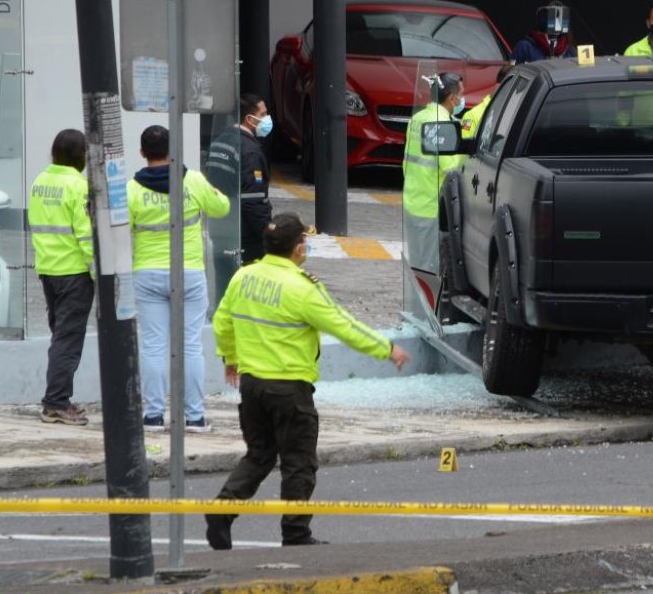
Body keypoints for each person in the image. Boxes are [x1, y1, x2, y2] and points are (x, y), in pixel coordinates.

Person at [205, 213, 410, 549]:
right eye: (306, 240)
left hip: (252, 385)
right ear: (298, 248)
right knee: (299, 463)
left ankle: (222, 512)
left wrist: (230, 359)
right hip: (289, 389)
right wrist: (386, 348)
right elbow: (343, 325)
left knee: (259, 455)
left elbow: (223, 321)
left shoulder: (244, 276)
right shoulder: (302, 288)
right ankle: (296, 534)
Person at [128, 125, 230, 433]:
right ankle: (194, 417)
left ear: (143, 152)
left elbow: (124, 226)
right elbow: (222, 207)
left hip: (147, 272)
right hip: (189, 274)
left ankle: (154, 416)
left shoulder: (132, 188)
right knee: (189, 345)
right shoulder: (194, 180)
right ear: (173, 150)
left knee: (153, 346)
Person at [29, 129, 94, 426]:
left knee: (60, 336)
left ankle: (57, 398)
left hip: (48, 270)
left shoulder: (40, 182)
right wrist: (100, 274)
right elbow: (85, 234)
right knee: (68, 339)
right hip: (73, 272)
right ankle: (55, 402)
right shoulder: (78, 186)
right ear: (80, 155)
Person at [402, 72, 465, 275]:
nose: (462, 99)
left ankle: (415, 304)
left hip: (412, 201)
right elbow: (451, 168)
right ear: (452, 98)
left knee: (415, 263)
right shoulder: (443, 124)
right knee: (427, 269)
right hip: (430, 206)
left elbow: (407, 161)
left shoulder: (417, 118)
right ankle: (424, 306)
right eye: (461, 94)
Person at [206, 93, 274, 274]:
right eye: (263, 114)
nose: (267, 119)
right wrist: (267, 233)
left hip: (219, 229)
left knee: (224, 285)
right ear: (249, 119)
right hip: (245, 235)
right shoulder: (249, 152)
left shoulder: (219, 143)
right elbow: (253, 200)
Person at [460, 63, 515, 140]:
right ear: (499, 86)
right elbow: (463, 147)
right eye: (512, 88)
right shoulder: (470, 116)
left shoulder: (515, 113)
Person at [511, 1, 576, 64]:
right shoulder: (524, 47)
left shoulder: (569, 50)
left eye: (559, 16)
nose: (556, 22)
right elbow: (510, 69)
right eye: (552, 15)